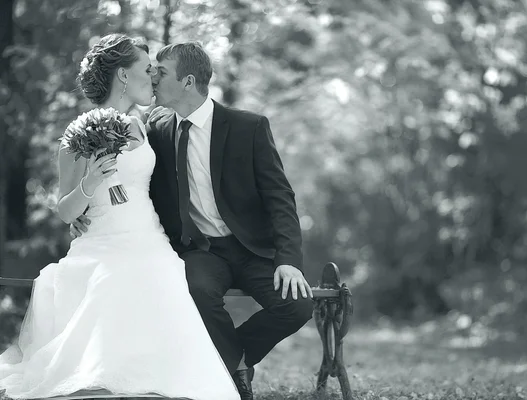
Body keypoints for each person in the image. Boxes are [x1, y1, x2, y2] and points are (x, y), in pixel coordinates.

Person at [0, 34, 240, 400]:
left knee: (160, 273)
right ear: (124, 76)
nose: (154, 78)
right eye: (148, 69)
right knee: (112, 279)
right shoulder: (80, 132)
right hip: (101, 241)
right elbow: (66, 210)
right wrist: (90, 183)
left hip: (151, 238)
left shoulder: (150, 124)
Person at [72, 41, 314, 400]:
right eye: (151, 70)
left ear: (187, 81)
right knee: (196, 291)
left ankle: (235, 360)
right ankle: (234, 375)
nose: (153, 77)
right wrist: (84, 214)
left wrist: (289, 262)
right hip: (200, 250)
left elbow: (280, 198)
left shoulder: (249, 127)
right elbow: (122, 180)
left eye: (162, 72)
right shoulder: (152, 129)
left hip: (252, 247)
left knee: (297, 305)